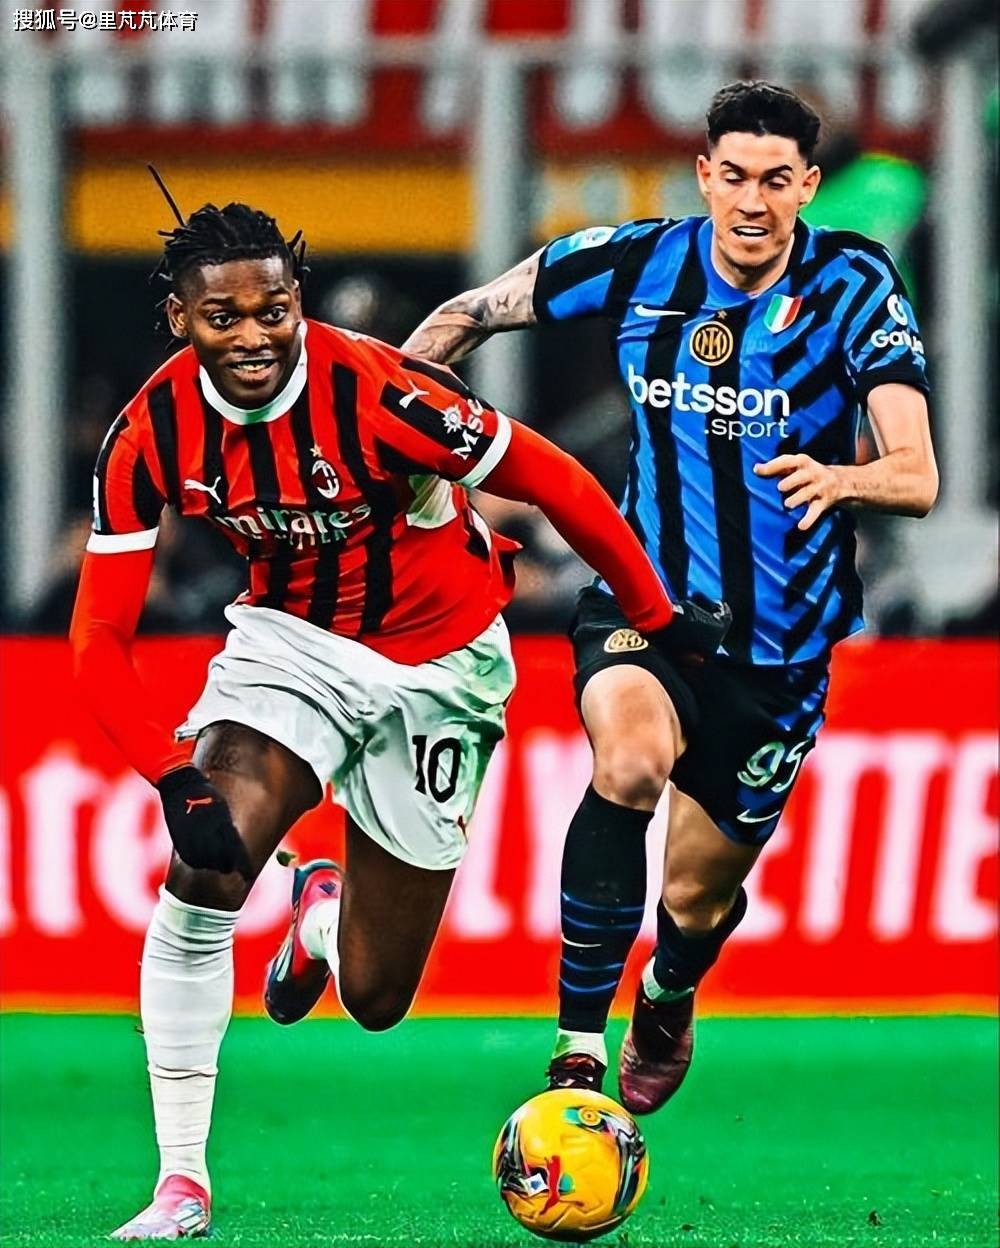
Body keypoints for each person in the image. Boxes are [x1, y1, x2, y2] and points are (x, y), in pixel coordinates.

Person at [69, 200, 727, 1241]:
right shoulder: (148, 433)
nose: (253, 336)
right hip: (291, 647)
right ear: (180, 319)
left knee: (377, 997)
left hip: (444, 667)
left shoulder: (382, 391)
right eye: (223, 317)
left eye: (273, 310)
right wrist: (171, 774)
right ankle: (180, 1183)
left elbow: (554, 479)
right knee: (204, 875)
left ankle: (319, 913)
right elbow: (99, 636)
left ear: (297, 301)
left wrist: (656, 617)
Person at [401, 80, 939, 1113]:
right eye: (733, 176)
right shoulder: (637, 259)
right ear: (703, 175)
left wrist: (844, 479)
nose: (751, 202)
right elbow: (467, 315)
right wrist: (387, 423)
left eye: (775, 181)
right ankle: (575, 1052)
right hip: (644, 602)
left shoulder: (855, 283)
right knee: (630, 759)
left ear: (807, 186)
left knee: (696, 895)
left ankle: (668, 990)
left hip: (781, 649)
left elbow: (916, 476)